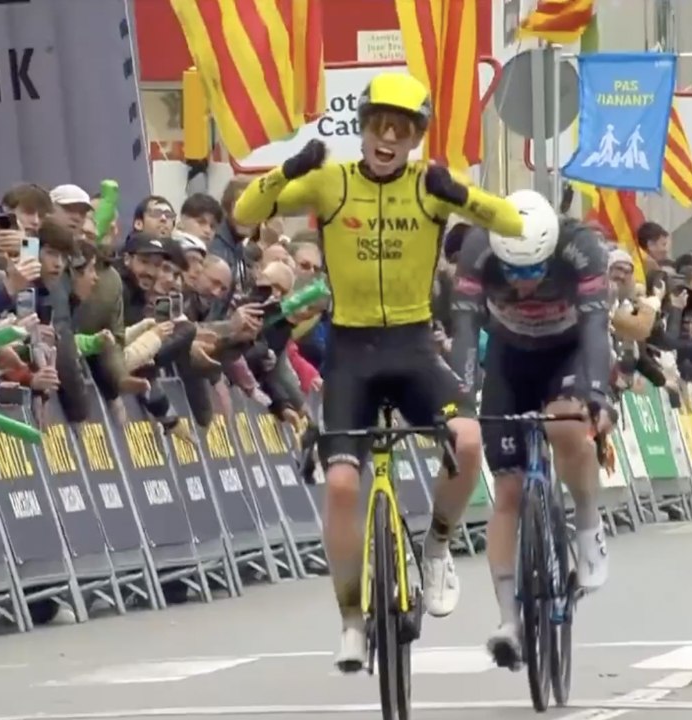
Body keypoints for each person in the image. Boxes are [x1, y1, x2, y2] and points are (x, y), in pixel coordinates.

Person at [233, 71, 525, 671]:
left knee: (467, 441)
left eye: (403, 129)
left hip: (414, 347)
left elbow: (512, 223)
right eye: (378, 125)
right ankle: (348, 619)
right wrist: (289, 169)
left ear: (417, 136)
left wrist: (461, 193)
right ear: (363, 128)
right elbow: (243, 211)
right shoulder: (331, 182)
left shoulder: (429, 185)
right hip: (352, 352)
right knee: (341, 486)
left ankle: (439, 544)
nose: (388, 138)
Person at [448, 189, 614, 668]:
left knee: (566, 428)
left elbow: (596, 329)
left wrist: (597, 396)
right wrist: (459, 400)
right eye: (513, 272)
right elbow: (463, 331)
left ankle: (586, 524)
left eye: (533, 270)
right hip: (509, 355)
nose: (522, 283)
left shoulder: (581, 247)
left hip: (568, 352)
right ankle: (509, 623)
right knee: (508, 491)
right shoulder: (479, 248)